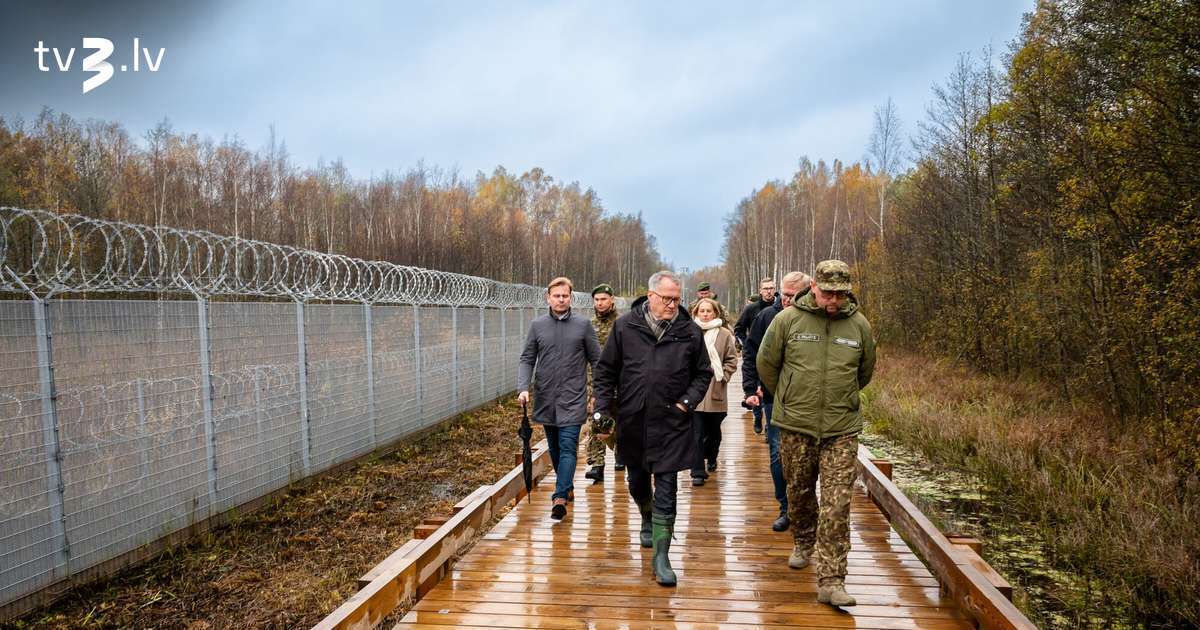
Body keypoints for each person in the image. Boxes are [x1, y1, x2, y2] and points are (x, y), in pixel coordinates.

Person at [757, 260, 876, 607]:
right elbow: (767, 364)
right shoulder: (788, 320)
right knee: (799, 493)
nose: (833, 301)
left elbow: (865, 371)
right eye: (827, 293)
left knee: (837, 504)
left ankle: (832, 579)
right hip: (796, 425)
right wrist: (790, 396)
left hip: (841, 428)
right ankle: (803, 541)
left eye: (840, 294)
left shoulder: (858, 326)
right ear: (814, 289)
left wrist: (842, 397)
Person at [593, 270, 713, 586]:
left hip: (672, 422)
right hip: (632, 422)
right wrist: (603, 415)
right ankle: (646, 515)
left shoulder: (689, 333)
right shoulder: (625, 328)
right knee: (636, 482)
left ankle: (661, 556)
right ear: (651, 297)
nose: (673, 305)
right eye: (667, 299)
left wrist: (686, 403)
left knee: (668, 487)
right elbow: (605, 374)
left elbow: (704, 374)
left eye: (677, 299)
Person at [518, 277, 602, 520]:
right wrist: (523, 387)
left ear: (571, 298)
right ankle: (567, 486)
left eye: (565, 295)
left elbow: (597, 360)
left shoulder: (583, 326)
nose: (561, 299)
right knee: (555, 448)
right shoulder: (538, 326)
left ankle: (560, 496)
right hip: (546, 397)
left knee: (568, 447)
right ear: (548, 298)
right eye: (557, 296)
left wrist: (597, 391)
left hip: (573, 397)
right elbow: (527, 359)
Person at [741, 271, 810, 532]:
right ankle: (786, 508)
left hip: (806, 400)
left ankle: (804, 505)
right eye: (784, 294)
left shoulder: (815, 321)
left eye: (793, 296)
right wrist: (750, 387)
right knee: (778, 453)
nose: (785, 300)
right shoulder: (768, 316)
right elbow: (751, 351)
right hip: (773, 397)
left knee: (805, 456)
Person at [688, 298, 738, 487]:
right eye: (702, 311)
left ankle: (712, 455)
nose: (705, 314)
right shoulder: (689, 332)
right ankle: (697, 471)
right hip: (694, 390)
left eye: (709, 311)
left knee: (713, 431)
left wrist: (723, 376)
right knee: (696, 432)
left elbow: (732, 360)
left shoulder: (724, 334)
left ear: (715, 313)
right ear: (696, 313)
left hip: (716, 388)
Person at [584, 283, 623, 483]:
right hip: (597, 381)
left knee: (619, 419)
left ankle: (620, 454)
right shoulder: (589, 325)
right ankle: (598, 465)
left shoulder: (622, 323)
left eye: (604, 299)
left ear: (612, 299)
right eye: (597, 300)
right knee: (597, 420)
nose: (600, 303)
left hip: (621, 380)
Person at [734, 277, 777, 433]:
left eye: (771, 288)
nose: (768, 291)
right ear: (760, 290)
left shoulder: (780, 308)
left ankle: (769, 425)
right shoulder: (751, 309)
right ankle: (758, 417)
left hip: (773, 356)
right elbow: (738, 328)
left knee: (769, 387)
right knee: (755, 386)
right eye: (765, 288)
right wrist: (746, 343)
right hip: (755, 353)